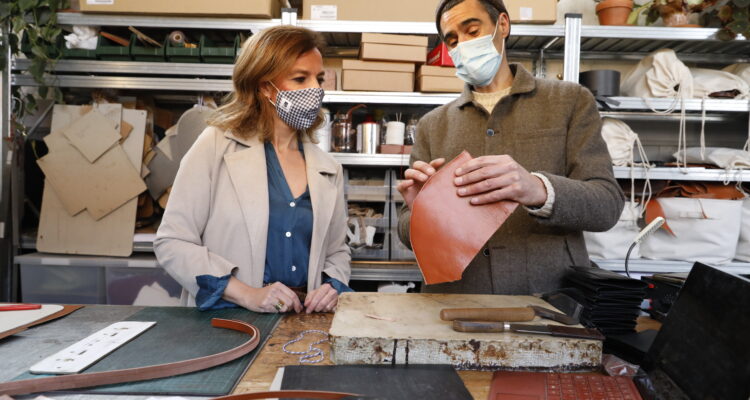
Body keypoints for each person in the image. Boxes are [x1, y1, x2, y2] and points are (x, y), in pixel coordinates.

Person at [397, 0, 624, 295]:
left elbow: (607, 205)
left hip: (548, 301)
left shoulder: (569, 101)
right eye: (452, 40)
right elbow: (406, 232)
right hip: (456, 301)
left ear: (502, 25)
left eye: (472, 31)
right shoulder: (433, 124)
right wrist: (422, 215)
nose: (463, 45)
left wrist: (538, 189)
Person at [155, 26, 352, 314]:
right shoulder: (215, 146)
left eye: (319, 79)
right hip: (230, 318)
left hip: (302, 319)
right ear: (265, 87)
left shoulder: (328, 168)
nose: (316, 90)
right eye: (301, 78)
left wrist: (332, 285)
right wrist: (248, 294)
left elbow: (337, 252)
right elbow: (172, 242)